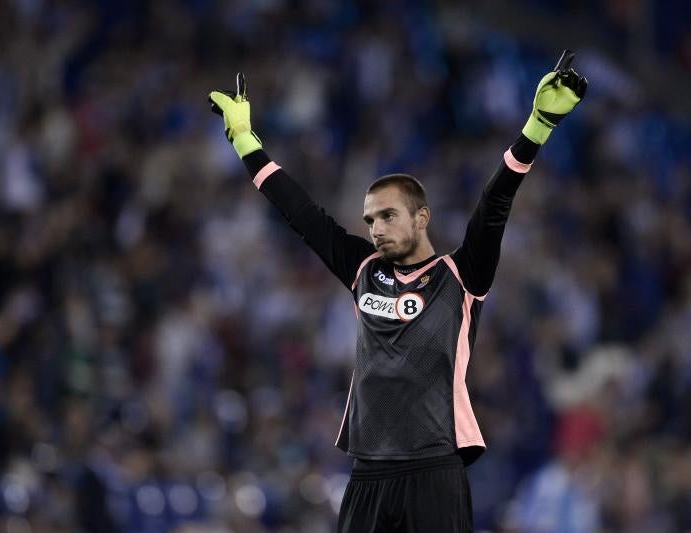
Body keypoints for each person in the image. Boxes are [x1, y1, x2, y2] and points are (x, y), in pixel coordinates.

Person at [207, 50, 587, 533]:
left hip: (435, 469)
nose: (377, 229)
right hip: (368, 471)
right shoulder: (363, 269)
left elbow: (495, 205)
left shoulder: (461, 275)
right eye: (369, 220)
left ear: (421, 218)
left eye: (388, 216)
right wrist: (244, 140)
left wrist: (537, 127)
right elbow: (300, 213)